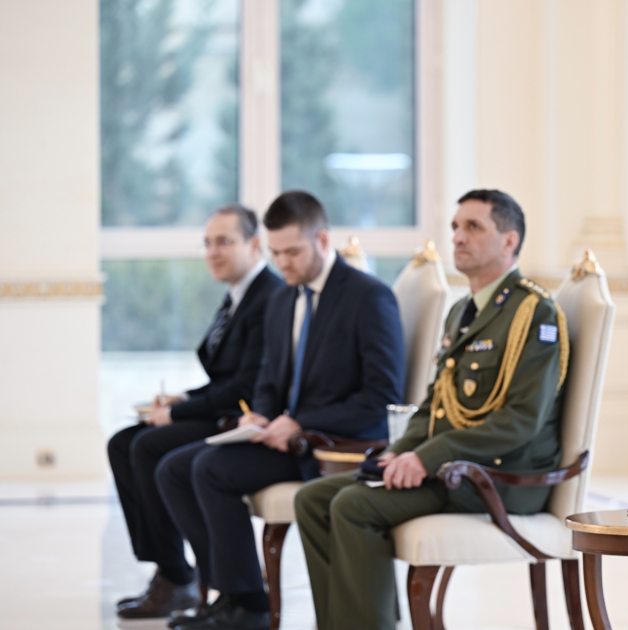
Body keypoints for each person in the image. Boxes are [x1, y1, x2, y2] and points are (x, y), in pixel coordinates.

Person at [293, 189, 570, 630]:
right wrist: (399, 451)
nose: (457, 237)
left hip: (499, 475)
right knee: (311, 499)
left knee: (353, 506)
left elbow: (520, 420)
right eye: (456, 227)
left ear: (510, 241)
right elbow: (435, 405)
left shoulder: (533, 313)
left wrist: (426, 458)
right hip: (454, 468)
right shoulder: (462, 311)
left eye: (473, 227)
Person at [156, 190, 405, 630]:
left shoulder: (368, 297)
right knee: (175, 468)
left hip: (333, 443)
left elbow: (380, 396)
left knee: (209, 469)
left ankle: (249, 605)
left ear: (322, 240)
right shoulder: (283, 298)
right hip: (284, 436)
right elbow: (270, 379)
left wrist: (300, 423)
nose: (283, 263)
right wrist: (260, 416)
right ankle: (228, 594)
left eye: (293, 252)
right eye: (275, 253)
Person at [107, 205, 283, 619]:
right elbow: (227, 376)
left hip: (242, 416)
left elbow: (246, 386)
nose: (212, 252)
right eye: (207, 243)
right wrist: (182, 399)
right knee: (122, 443)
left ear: (254, 245)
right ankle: (170, 569)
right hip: (222, 407)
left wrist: (178, 414)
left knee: (149, 445)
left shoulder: (268, 297)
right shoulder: (237, 296)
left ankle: (178, 578)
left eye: (224, 241)